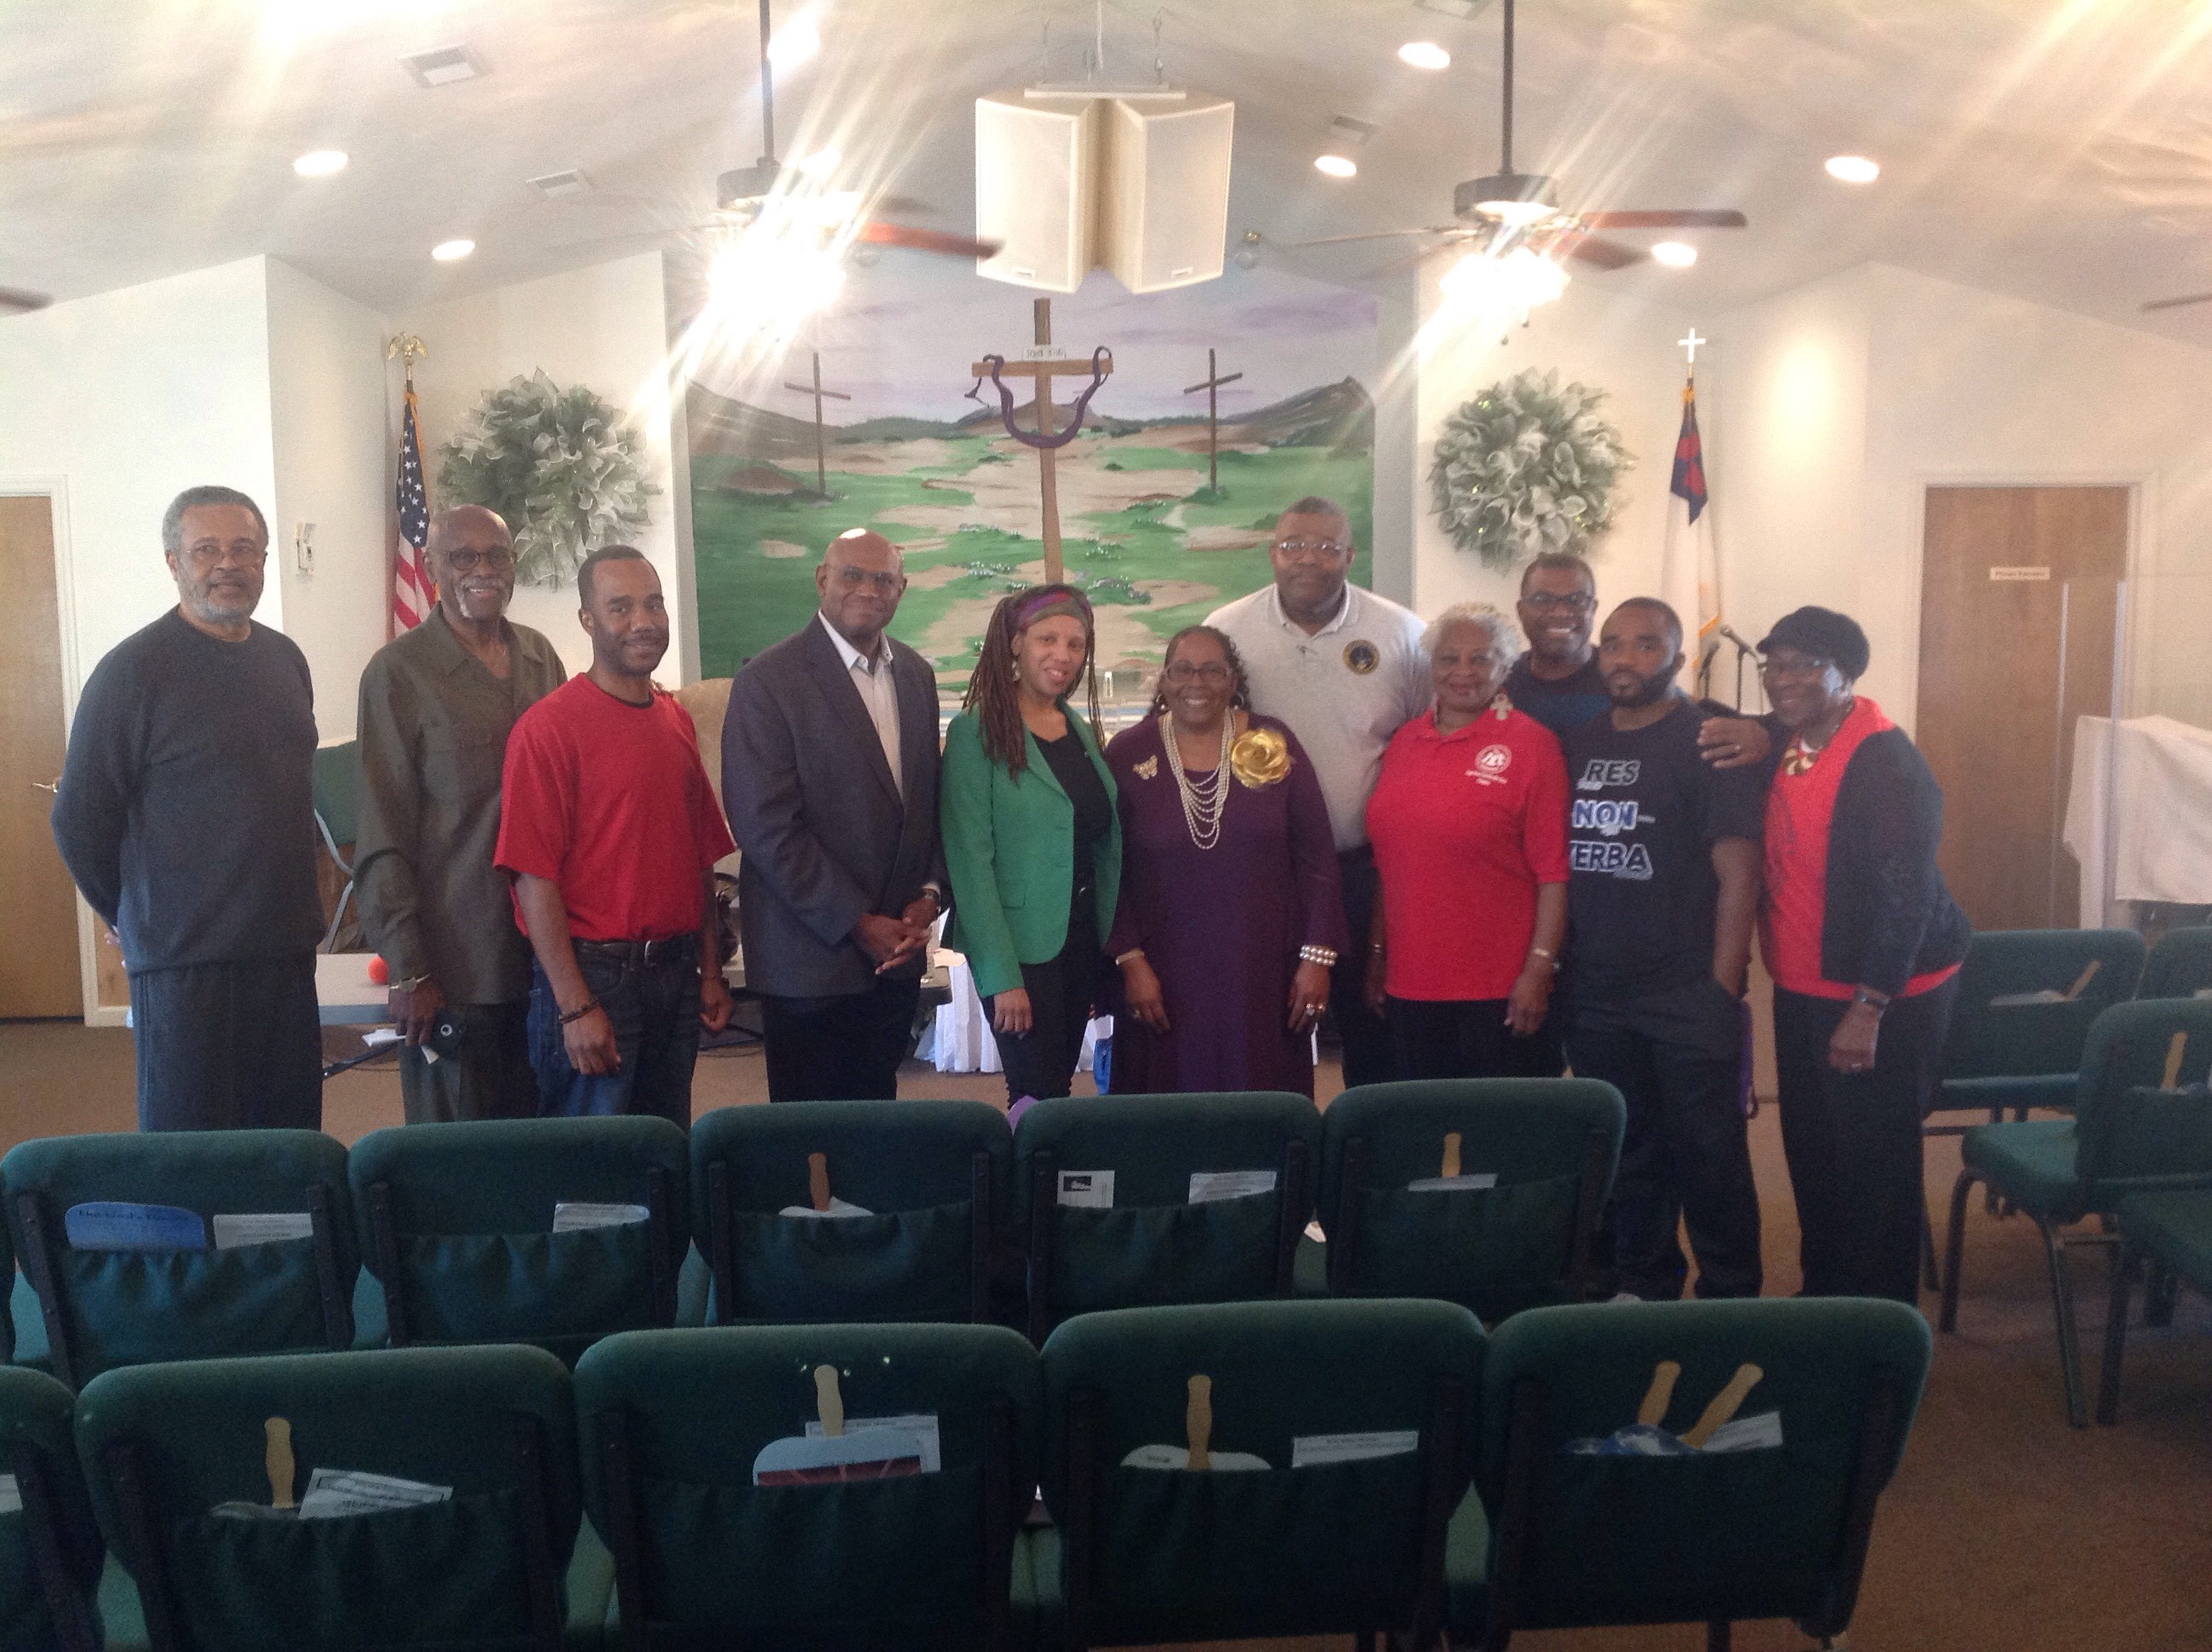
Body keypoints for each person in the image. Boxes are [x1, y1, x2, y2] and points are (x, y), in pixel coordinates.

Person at [50, 485, 323, 1131]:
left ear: (263, 560)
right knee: (191, 1154)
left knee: (287, 1143)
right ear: (174, 562)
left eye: (244, 549)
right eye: (206, 550)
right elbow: (79, 819)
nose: (227, 564)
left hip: (283, 951)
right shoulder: (131, 673)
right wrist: (129, 913)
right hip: (183, 964)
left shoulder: (285, 660)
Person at [1757, 605, 1969, 1303]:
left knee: (1874, 1169)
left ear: (1846, 674)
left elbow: (1906, 896)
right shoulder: (1796, 738)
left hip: (1881, 994)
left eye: (1802, 665)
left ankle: (1880, 1331)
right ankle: (1827, 1303)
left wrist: (1869, 1007)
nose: (1782, 679)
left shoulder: (1884, 760)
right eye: (1773, 665)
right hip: (1804, 984)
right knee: (1815, 1156)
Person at [1563, 598, 1763, 1302]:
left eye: (1645, 645)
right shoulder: (1583, 742)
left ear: (1677, 660)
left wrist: (1721, 988)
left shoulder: (1709, 741)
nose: (1624, 658)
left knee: (1709, 1156)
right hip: (1599, 994)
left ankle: (1730, 1296)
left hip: (1686, 993)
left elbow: (1739, 875)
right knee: (1631, 1152)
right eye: (1612, 644)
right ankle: (1645, 1286)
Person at [495, 545, 735, 1126]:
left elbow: (696, 857)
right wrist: (576, 1007)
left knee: (663, 1155)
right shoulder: (547, 729)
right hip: (597, 980)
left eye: (653, 605)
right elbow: (533, 877)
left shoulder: (674, 717)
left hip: (675, 979)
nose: (644, 622)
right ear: (589, 620)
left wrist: (708, 971)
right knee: (592, 1175)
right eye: (621, 608)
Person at [354, 505, 567, 1123]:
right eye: (463, 557)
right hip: (454, 963)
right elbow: (382, 831)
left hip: (542, 954)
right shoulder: (398, 673)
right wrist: (407, 968)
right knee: (459, 1157)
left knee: (546, 1138)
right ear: (432, 568)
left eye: (495, 556)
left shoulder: (540, 657)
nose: (482, 570)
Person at [1206, 497, 1428, 1089]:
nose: (1310, 559)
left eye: (1327, 548)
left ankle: (1367, 1163)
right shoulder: (1225, 631)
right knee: (1265, 1026)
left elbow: (1430, 739)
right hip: (1264, 872)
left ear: (1350, 556)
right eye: (1294, 545)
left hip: (1364, 871)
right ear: (1273, 553)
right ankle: (1275, 1161)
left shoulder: (1403, 634)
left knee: (1373, 1027)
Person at [722, 528, 946, 1102]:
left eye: (884, 579)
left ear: (902, 590)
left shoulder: (917, 676)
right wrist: (856, 922)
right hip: (809, 961)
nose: (868, 589)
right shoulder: (767, 682)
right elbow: (766, 827)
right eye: (852, 575)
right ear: (822, 580)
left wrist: (928, 896)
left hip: (894, 958)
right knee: (809, 1147)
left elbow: (927, 807)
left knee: (876, 1126)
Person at [1103, 625, 1344, 1097]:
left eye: (1213, 670)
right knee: (1168, 1101)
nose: (1198, 682)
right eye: (1183, 669)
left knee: (1261, 1096)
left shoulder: (1275, 743)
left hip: (1263, 969)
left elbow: (1316, 858)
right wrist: (1130, 962)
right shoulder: (1128, 752)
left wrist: (1318, 957)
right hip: (1164, 971)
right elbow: (1110, 870)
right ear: (1165, 679)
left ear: (1233, 680)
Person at [1365, 603, 1569, 1079]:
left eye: (1481, 659)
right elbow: (1389, 865)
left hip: (1499, 988)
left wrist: (1538, 972)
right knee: (1424, 1130)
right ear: (1430, 666)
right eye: (1448, 658)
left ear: (1505, 667)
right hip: (1409, 983)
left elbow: (1554, 873)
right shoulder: (1404, 743)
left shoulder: (1532, 745)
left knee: (1499, 1138)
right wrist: (1377, 957)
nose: (1463, 672)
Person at [940, 585, 1121, 1106]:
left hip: (1080, 937)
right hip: (1021, 948)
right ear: (1015, 643)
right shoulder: (977, 731)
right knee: (1035, 1090)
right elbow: (970, 862)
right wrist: (1001, 977)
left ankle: (1050, 1184)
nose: (1062, 655)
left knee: (1058, 1086)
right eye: (1047, 639)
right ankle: (1027, 1186)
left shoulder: (1076, 726)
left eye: (1076, 643)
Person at [1508, 550, 1772, 768]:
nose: (1561, 612)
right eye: (1543, 600)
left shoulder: (1624, 677)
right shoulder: (1499, 683)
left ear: (1593, 608)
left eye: (1576, 600)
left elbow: (1686, 711)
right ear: (1521, 610)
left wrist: (1758, 734)